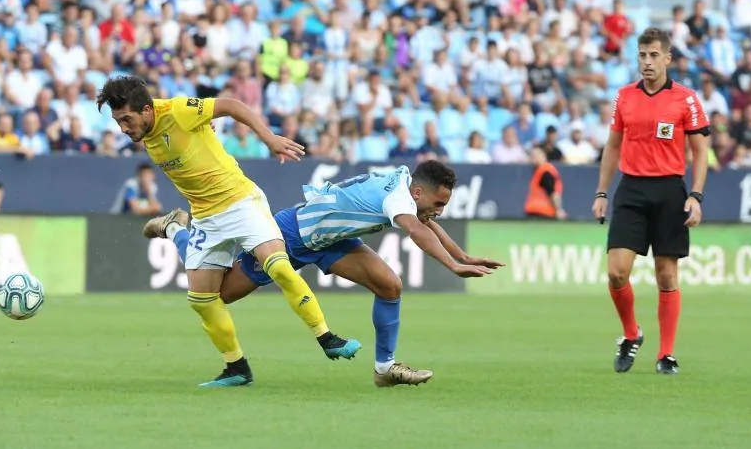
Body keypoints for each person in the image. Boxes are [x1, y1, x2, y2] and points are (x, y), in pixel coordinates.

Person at [96, 76, 359, 387]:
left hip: (239, 200)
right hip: (206, 216)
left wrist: (268, 138)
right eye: (118, 122)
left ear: (147, 110)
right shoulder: (147, 130)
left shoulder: (178, 110)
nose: (124, 129)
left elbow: (233, 106)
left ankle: (326, 337)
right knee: (202, 299)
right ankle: (236, 367)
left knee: (278, 265)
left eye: (126, 119)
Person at [147, 161, 501, 387]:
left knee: (390, 285)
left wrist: (463, 255)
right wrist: (453, 266)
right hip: (291, 233)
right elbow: (418, 230)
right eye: (438, 204)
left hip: (331, 240)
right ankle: (177, 230)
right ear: (419, 192)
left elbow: (426, 223)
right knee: (220, 295)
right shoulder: (398, 197)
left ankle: (385, 368)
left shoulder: (407, 189)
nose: (439, 211)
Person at [592, 28, 710, 375]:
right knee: (616, 272)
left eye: (654, 55)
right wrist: (601, 192)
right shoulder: (624, 96)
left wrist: (696, 195)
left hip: (670, 191)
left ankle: (666, 355)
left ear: (668, 58)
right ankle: (631, 334)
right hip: (631, 189)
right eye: (642, 55)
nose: (647, 62)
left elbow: (700, 151)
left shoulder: (685, 99)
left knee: (666, 275)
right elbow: (612, 146)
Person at [524, 148, 565, 220]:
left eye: (535, 156)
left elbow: (553, 193)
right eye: (532, 156)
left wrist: (558, 210)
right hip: (535, 211)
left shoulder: (546, 172)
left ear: (543, 156)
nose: (532, 158)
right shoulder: (539, 170)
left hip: (543, 213)